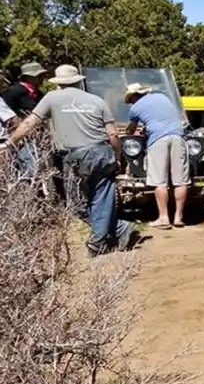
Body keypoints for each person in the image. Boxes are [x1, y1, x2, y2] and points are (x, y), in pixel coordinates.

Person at [7, 64, 136, 256]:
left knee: (75, 203)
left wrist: (11, 142)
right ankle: (118, 228)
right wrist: (117, 158)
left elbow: (30, 123)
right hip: (102, 152)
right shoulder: (96, 100)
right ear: (78, 81)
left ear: (58, 83)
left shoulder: (51, 98)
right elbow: (113, 134)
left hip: (74, 156)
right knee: (102, 198)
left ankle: (98, 242)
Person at [125, 83, 189, 229]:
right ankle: (178, 217)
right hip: (178, 136)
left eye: (131, 100)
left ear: (134, 96)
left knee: (160, 181)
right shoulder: (162, 97)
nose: (131, 103)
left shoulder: (135, 108)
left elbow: (131, 130)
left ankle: (163, 218)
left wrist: (136, 131)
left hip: (158, 140)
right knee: (180, 180)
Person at [2, 62, 47, 177]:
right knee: (29, 171)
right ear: (28, 77)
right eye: (38, 76)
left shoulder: (39, 94)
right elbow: (7, 115)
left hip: (37, 139)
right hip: (21, 139)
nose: (42, 78)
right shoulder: (14, 92)